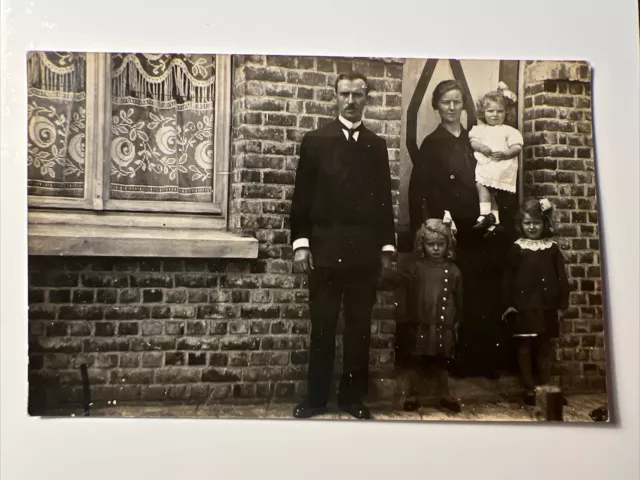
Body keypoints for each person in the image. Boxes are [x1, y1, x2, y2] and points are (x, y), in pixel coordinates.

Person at [289, 72, 396, 419]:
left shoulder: (376, 145)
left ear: (367, 99)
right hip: (324, 250)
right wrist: (302, 244)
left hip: (363, 252)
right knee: (322, 325)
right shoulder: (316, 141)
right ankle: (316, 398)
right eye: (345, 94)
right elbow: (302, 197)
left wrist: (386, 248)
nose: (351, 101)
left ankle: (352, 399)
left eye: (358, 95)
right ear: (335, 97)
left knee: (358, 327)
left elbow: (383, 201)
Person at [408, 79, 514, 378]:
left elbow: (496, 176)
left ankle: (486, 360)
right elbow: (418, 191)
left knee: (484, 291)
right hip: (453, 228)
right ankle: (458, 360)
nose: (452, 108)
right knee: (456, 294)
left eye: (457, 102)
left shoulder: (474, 139)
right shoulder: (432, 143)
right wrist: (423, 231)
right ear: (436, 107)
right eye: (446, 103)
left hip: (480, 224)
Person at [391, 216, 463, 413]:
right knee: (416, 360)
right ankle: (412, 395)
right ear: (422, 244)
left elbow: (459, 299)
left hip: (443, 324)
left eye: (440, 244)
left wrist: (457, 320)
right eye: (431, 244)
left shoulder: (453, 270)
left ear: (447, 244)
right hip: (420, 322)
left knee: (441, 361)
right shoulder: (416, 266)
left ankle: (444, 395)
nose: (436, 248)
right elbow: (399, 281)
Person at [502, 198, 569, 405]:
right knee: (525, 346)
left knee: (544, 347)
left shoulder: (551, 248)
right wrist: (509, 303)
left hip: (547, 306)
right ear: (521, 224)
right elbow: (508, 278)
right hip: (524, 306)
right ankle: (529, 387)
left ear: (545, 224)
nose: (532, 227)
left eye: (536, 223)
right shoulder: (517, 248)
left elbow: (561, 278)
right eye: (527, 223)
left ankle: (546, 388)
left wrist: (561, 304)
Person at [469, 83, 523, 237]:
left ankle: (485, 214)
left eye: (499, 111)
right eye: (490, 111)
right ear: (483, 112)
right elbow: (473, 142)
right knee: (488, 191)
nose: (495, 115)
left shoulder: (509, 131)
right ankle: (495, 222)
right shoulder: (480, 129)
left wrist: (506, 154)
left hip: (501, 165)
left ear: (506, 112)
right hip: (488, 163)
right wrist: (481, 148)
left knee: (481, 184)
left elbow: (517, 147)